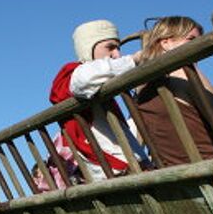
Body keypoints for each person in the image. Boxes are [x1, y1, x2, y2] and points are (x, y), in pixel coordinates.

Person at [50, 19, 149, 181]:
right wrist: (135, 59)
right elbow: (83, 80)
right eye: (110, 47)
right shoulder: (71, 75)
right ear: (88, 48)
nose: (117, 54)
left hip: (131, 168)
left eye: (118, 48)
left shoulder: (102, 90)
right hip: (114, 172)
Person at [135, 16, 213, 166]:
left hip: (172, 174)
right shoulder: (185, 71)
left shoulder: (141, 89)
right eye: (191, 39)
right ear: (166, 43)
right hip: (212, 166)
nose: (198, 46)